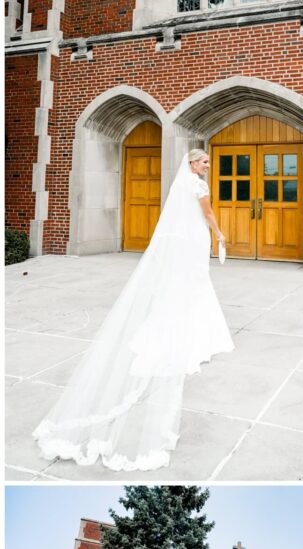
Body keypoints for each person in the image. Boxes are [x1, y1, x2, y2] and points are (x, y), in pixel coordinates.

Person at [34, 149, 234, 471]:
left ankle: (196, 331)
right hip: (196, 238)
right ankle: (196, 336)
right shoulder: (197, 187)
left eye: (209, 162)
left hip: (187, 240)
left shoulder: (182, 185)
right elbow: (207, 215)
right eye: (204, 162)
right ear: (192, 164)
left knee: (191, 287)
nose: (208, 166)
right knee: (195, 285)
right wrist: (220, 234)